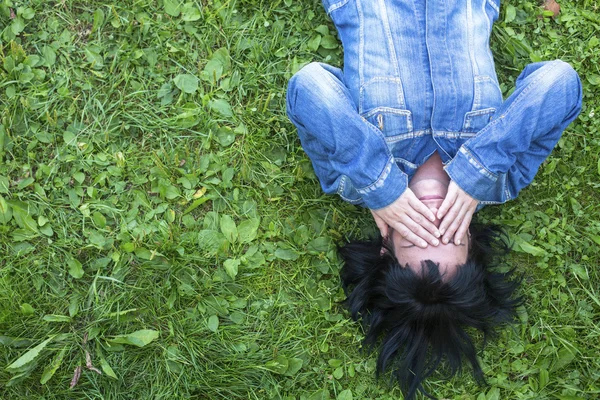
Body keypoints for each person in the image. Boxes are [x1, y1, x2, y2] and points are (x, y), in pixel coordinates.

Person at [285, 0, 582, 398]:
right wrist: (479, 168)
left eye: (416, 233)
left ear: (386, 246)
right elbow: (559, 81)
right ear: (471, 241)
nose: (432, 214)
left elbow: (310, 86)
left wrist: (380, 184)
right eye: (450, 232)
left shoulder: (353, 184)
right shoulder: (501, 181)